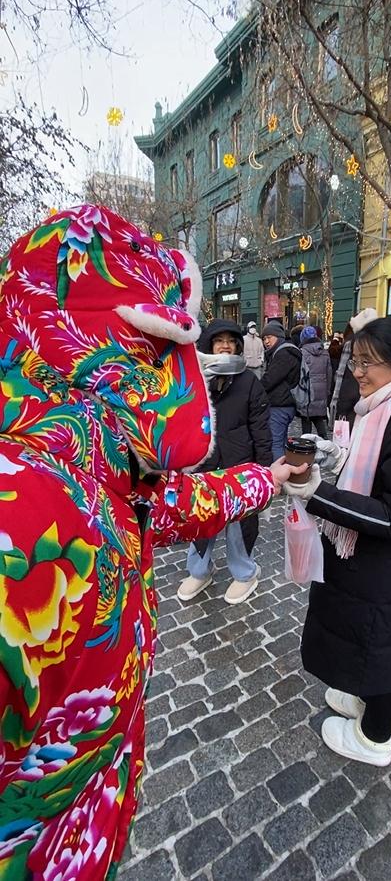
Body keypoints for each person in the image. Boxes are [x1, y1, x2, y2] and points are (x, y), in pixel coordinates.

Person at [0, 204, 303, 880]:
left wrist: (270, 476)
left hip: (91, 827)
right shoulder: (17, 518)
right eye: (156, 348)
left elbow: (181, 502)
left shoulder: (99, 468)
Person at [284, 317, 391, 767]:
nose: (358, 372)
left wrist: (318, 495)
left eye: (368, 363)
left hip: (384, 566)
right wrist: (334, 457)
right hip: (360, 559)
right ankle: (360, 697)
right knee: (359, 637)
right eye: (355, 361)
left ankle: (375, 737)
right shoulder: (379, 406)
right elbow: (373, 469)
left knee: (381, 650)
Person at [178, 320, 272, 604]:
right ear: (209, 345)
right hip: (203, 465)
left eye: (231, 341)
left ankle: (245, 573)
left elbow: (261, 429)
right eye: (219, 341)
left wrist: (265, 471)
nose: (225, 346)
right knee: (200, 518)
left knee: (239, 527)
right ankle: (199, 571)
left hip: (239, 466)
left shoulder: (249, 382)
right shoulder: (194, 378)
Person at [329, 309, 377, 430]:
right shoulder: (374, 345)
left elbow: (341, 374)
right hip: (363, 397)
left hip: (350, 395)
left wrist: (336, 401)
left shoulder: (350, 344)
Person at [261, 320, 302, 459]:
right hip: (286, 403)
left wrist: (255, 388)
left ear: (278, 336)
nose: (266, 341)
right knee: (281, 441)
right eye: (264, 338)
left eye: (269, 337)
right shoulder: (285, 351)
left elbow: (270, 379)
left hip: (280, 405)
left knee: (275, 444)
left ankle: (277, 471)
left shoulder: (283, 353)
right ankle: (285, 467)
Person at [298, 325, 333, 438]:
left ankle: (306, 444)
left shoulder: (302, 352)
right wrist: (327, 390)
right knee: (319, 419)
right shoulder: (324, 352)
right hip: (321, 390)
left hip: (307, 391)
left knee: (306, 421)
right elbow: (329, 373)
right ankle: (325, 442)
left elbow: (300, 374)